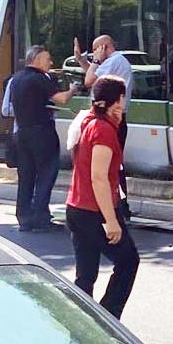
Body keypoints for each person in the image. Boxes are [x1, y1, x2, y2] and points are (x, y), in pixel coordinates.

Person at [65, 75, 139, 319]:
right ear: (115, 101)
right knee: (128, 262)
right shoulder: (103, 131)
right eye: (122, 97)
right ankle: (108, 319)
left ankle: (81, 322)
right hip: (94, 210)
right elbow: (99, 178)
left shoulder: (86, 120)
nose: (124, 102)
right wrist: (112, 221)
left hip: (76, 207)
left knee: (85, 275)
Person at [11, 46, 77, 231]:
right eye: (48, 59)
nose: (51, 63)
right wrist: (72, 90)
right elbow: (61, 99)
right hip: (41, 132)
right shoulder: (39, 78)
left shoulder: (17, 78)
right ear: (38, 59)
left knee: (26, 176)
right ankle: (41, 216)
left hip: (22, 132)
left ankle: (24, 216)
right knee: (46, 174)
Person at [73, 35, 134, 214]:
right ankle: (117, 205)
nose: (94, 55)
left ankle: (117, 206)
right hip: (116, 119)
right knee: (113, 164)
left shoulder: (114, 61)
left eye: (95, 50)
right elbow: (94, 75)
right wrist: (82, 61)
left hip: (110, 119)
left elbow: (89, 81)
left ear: (104, 47)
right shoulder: (117, 61)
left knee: (109, 165)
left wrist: (96, 60)